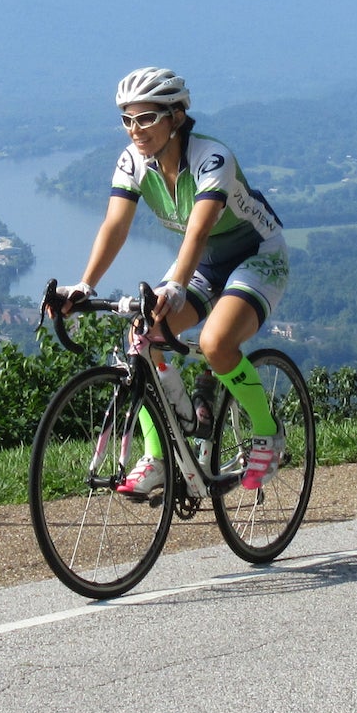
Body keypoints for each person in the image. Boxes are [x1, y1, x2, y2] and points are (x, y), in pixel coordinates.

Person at [46, 66, 291, 496]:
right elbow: (114, 226)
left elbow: (198, 230)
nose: (135, 130)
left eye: (146, 118)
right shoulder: (134, 161)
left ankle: (268, 433)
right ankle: (160, 456)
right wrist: (85, 285)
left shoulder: (212, 159)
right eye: (127, 119)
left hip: (256, 255)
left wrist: (175, 287)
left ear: (175, 116)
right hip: (205, 263)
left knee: (216, 343)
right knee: (143, 338)